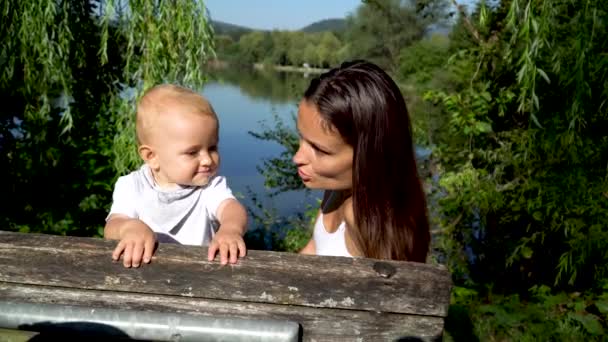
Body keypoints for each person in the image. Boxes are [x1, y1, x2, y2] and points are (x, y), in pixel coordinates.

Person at [294, 60, 430, 262]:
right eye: (302, 137)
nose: (297, 158)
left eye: (319, 150)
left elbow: (395, 291)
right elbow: (314, 249)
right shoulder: (340, 187)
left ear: (370, 157)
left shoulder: (367, 220)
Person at [104, 84, 247, 268]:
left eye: (212, 148)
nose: (207, 160)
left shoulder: (209, 187)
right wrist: (129, 227)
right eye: (192, 152)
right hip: (145, 278)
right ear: (152, 157)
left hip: (198, 278)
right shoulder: (132, 186)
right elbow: (112, 226)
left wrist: (230, 229)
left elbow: (231, 208)